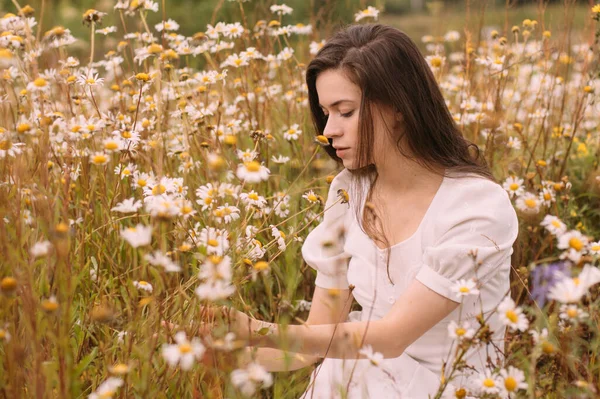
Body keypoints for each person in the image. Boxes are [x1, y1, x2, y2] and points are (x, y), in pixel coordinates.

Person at [216, 23, 520, 398]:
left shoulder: (475, 206)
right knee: (349, 372)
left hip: (451, 388)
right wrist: (232, 352)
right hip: (363, 378)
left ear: (398, 107)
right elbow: (315, 339)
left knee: (361, 371)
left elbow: (390, 339)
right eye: (326, 112)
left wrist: (259, 329)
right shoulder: (349, 191)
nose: (328, 130)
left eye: (345, 112)